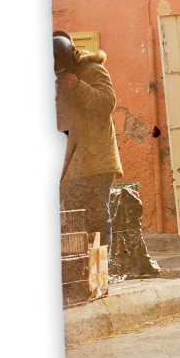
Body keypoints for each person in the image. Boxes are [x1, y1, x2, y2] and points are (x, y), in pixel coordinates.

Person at [55, 31, 123, 253]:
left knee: (97, 218)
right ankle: (81, 267)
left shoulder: (92, 68)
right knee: (73, 219)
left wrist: (77, 86)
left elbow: (108, 102)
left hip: (97, 158)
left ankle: (101, 271)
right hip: (71, 161)